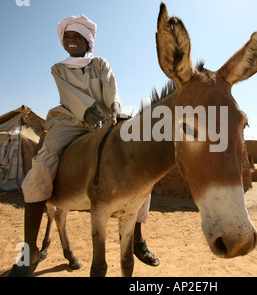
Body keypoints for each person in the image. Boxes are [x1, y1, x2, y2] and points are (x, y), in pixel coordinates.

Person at [10, 14, 159, 276]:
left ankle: (136, 236)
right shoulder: (59, 68)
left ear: (87, 41)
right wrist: (94, 115)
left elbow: (112, 90)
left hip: (104, 118)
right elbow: (72, 97)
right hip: (69, 122)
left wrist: (114, 109)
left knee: (139, 165)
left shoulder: (100, 63)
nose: (70, 41)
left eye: (76, 37)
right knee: (42, 166)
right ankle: (31, 248)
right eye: (67, 37)